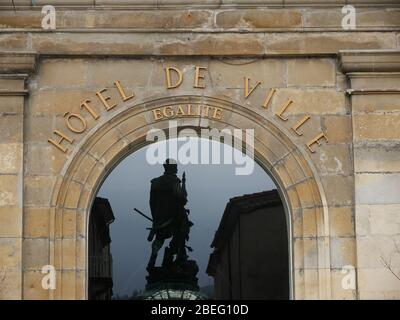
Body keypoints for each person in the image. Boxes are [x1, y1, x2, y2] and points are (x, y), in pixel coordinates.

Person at [147, 159, 192, 269]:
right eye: (175, 166)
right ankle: (179, 253)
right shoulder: (174, 181)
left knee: (159, 238)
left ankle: (153, 255)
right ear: (172, 168)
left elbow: (151, 202)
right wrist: (183, 188)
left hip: (159, 217)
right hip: (174, 216)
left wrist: (155, 217)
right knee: (184, 228)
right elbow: (182, 199)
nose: (176, 168)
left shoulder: (155, 182)